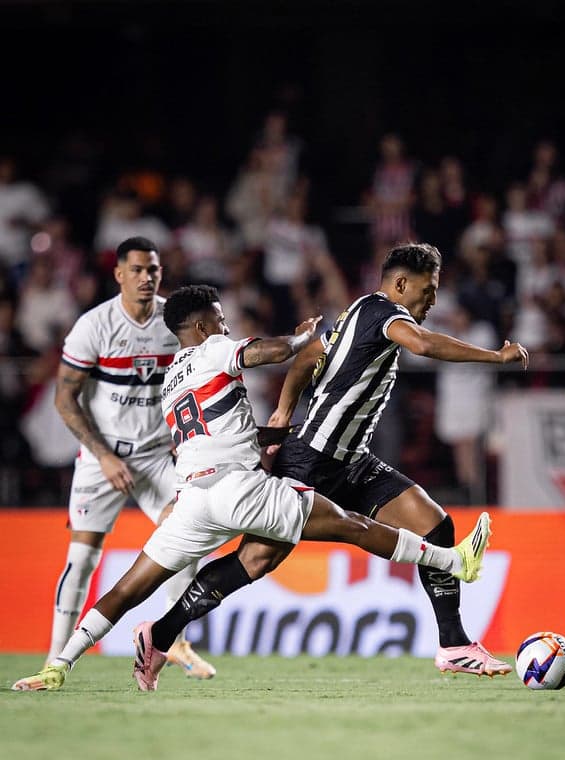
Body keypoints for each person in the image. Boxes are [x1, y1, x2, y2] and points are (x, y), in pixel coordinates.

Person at [12, 285, 491, 692]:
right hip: (239, 491)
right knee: (352, 525)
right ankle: (454, 560)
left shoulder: (172, 379)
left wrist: (270, 434)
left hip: (192, 502)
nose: (225, 326)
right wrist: (301, 338)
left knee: (126, 590)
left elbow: (213, 430)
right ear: (200, 326)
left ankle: (59, 665)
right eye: (219, 320)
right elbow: (265, 351)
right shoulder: (214, 348)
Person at [264, 243, 529, 676]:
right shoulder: (382, 311)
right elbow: (422, 344)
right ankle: (162, 631)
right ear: (401, 284)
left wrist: (282, 410)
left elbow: (312, 354)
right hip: (311, 460)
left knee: (436, 526)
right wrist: (494, 357)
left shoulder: (357, 314)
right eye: (428, 291)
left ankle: (454, 645)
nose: (434, 301)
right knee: (256, 562)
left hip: (352, 461)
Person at [42, 236, 215, 679]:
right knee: (82, 559)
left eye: (153, 270)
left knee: (188, 533)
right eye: (137, 270)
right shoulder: (94, 326)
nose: (146, 278)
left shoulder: (171, 323)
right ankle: (54, 658)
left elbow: (191, 381)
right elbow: (65, 399)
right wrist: (101, 456)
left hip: (158, 455)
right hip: (105, 457)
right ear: (118, 274)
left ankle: (173, 643)